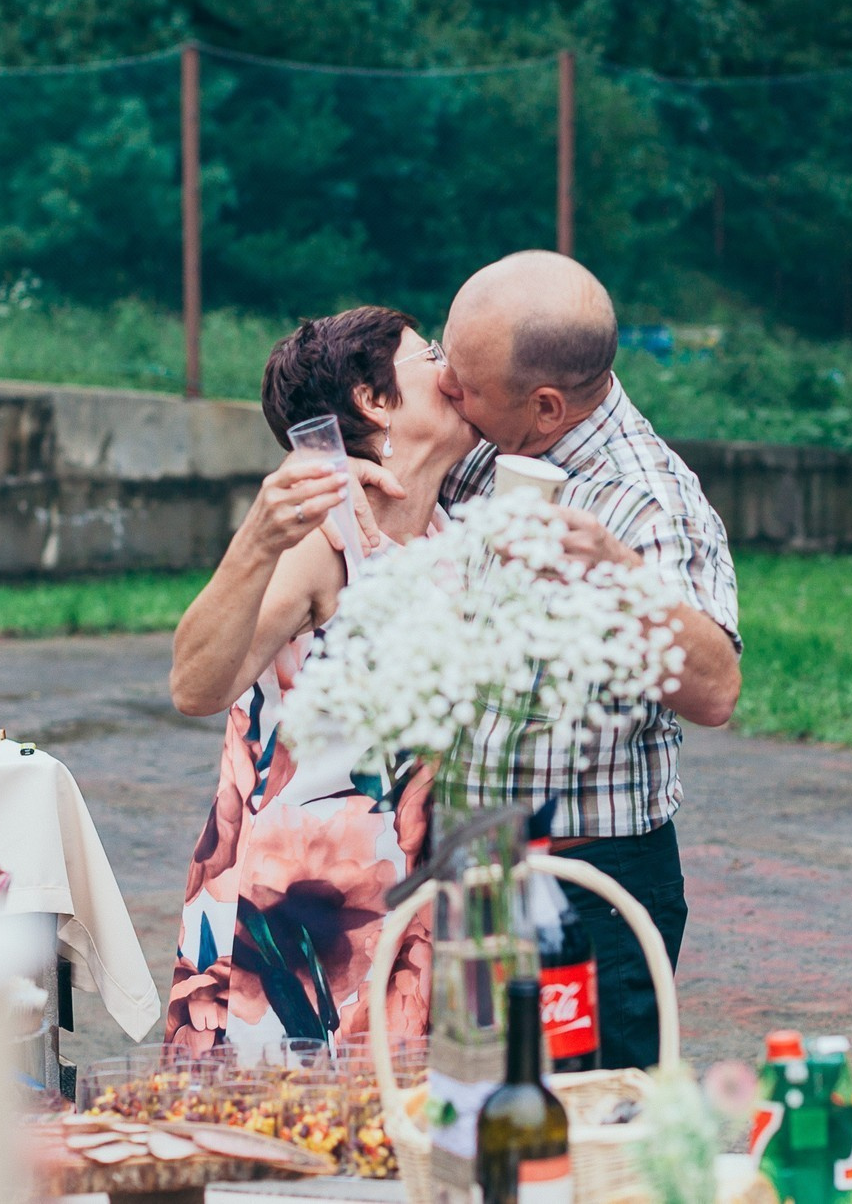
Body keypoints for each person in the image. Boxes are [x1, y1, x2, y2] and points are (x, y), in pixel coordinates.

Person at [435, 249, 741, 1070]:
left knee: (590, 1134)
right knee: (482, 1117)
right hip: (479, 864)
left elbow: (715, 690)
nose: (443, 387)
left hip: (589, 885)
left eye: (460, 378)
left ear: (545, 406)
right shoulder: (486, 438)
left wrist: (617, 577)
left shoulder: (644, 500)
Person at [166, 307, 479, 1057]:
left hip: (419, 901)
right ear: (374, 399)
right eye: (430, 354)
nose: (451, 369)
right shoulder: (323, 542)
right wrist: (258, 538)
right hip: (306, 921)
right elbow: (194, 685)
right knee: (291, 1143)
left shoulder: (452, 538)